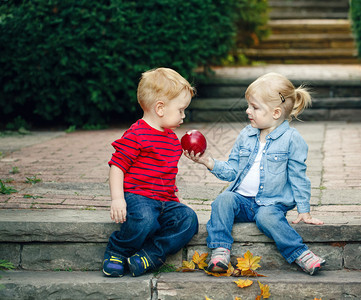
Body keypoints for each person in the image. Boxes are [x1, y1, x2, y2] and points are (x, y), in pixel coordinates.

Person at [184, 72, 326, 275]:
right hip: (242, 201)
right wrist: (209, 162)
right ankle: (220, 250)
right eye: (249, 105)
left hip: (271, 203)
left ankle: (301, 253)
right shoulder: (246, 134)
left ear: (276, 113)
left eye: (255, 107)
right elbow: (232, 171)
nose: (248, 110)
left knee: (267, 217)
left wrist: (304, 211)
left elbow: (298, 177)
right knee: (223, 200)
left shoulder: (292, 139)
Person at [102, 67, 199, 277]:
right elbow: (117, 166)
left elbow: (167, 175)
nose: (184, 115)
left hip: (165, 200)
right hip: (139, 197)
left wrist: (178, 200)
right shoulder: (136, 134)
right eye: (181, 110)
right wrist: (118, 199)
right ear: (160, 108)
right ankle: (118, 251)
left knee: (189, 219)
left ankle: (150, 255)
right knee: (144, 219)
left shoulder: (173, 140)